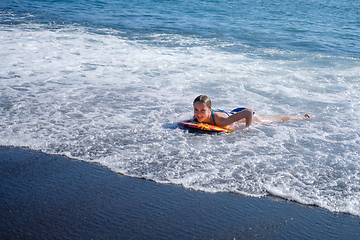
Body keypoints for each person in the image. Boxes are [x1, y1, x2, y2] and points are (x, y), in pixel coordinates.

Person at [193, 95, 310, 128]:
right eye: (196, 110)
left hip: (248, 116)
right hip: (234, 113)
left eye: (202, 110)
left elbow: (248, 112)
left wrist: (247, 128)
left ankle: (302, 117)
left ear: (210, 110)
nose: (198, 114)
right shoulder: (197, 117)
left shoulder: (221, 121)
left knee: (275, 120)